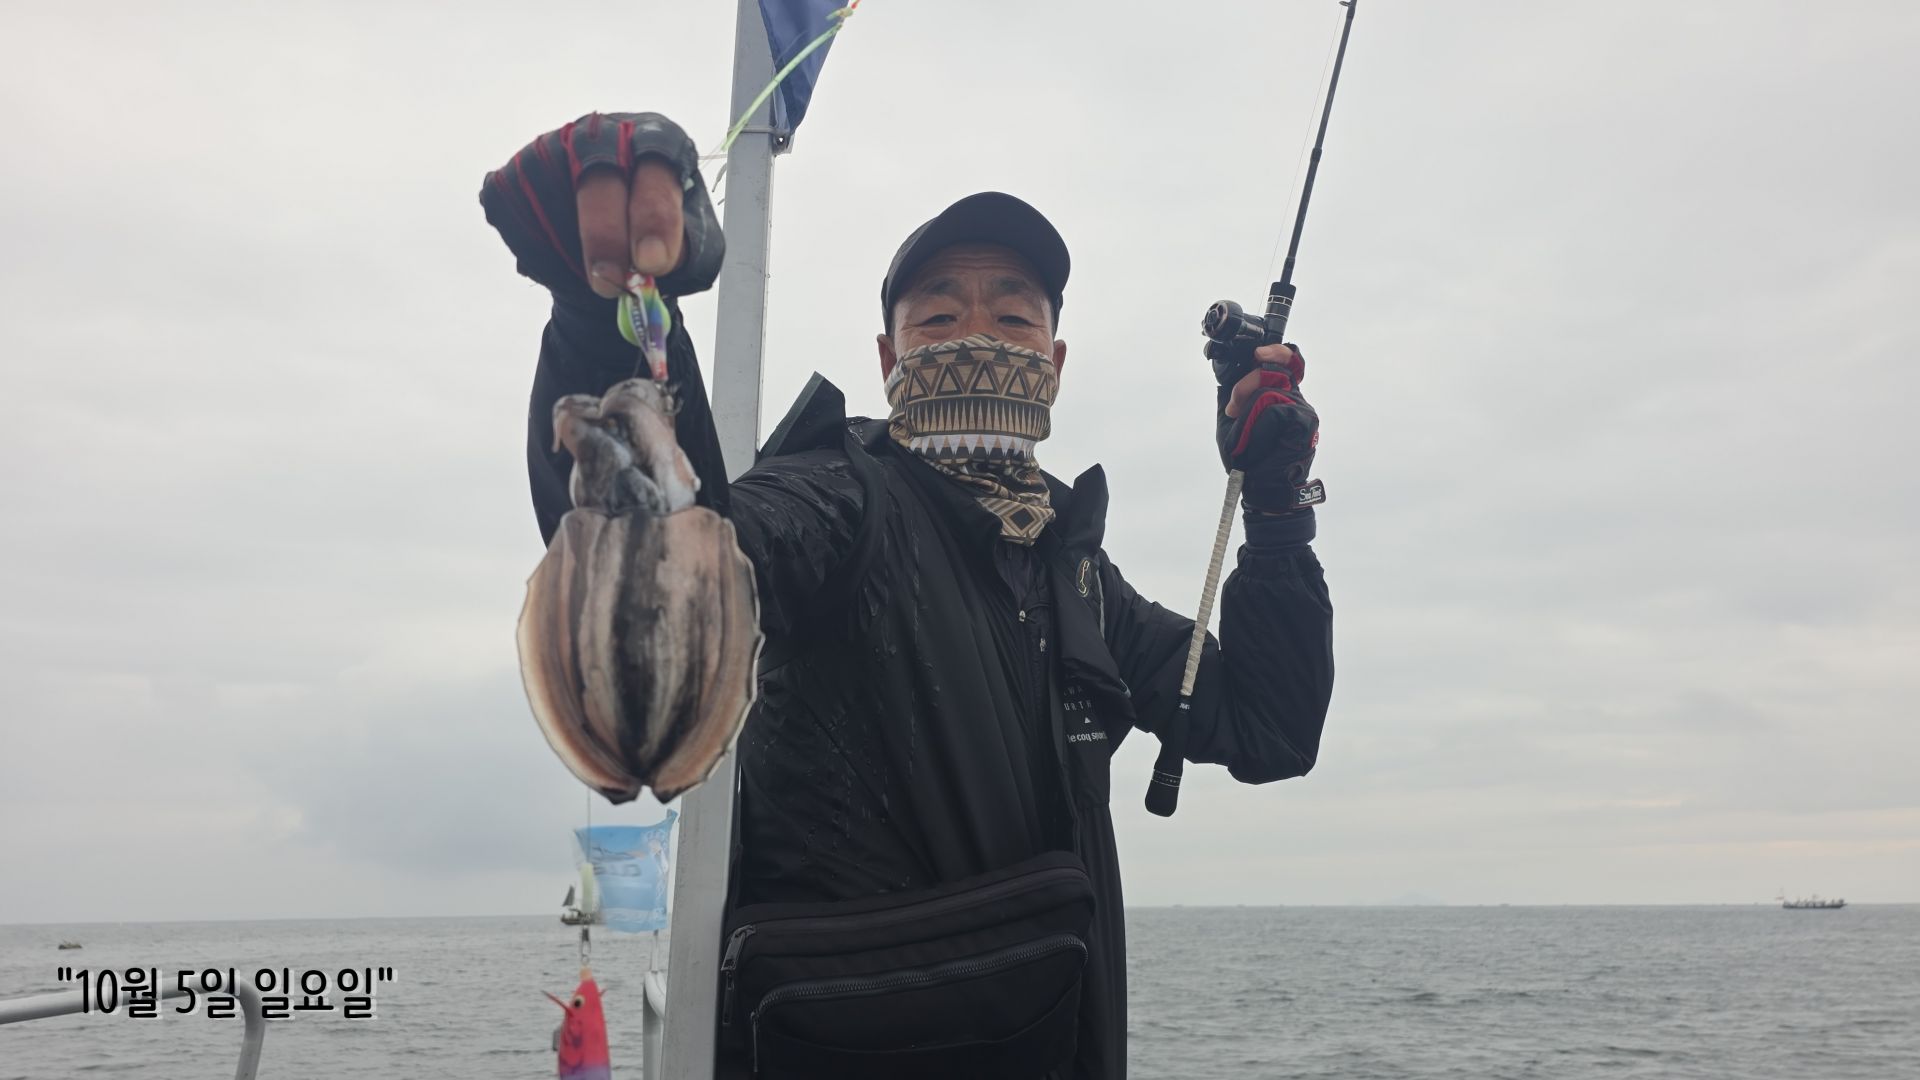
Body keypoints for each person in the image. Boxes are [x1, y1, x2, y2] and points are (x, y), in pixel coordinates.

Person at [482, 112, 1334, 1080]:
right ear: (887, 362)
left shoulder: (1080, 578)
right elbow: (679, 568)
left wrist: (1276, 511)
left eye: (1013, 318)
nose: (977, 336)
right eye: (937, 318)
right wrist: (599, 314)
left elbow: (1270, 725)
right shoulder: (839, 497)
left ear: (1055, 365)